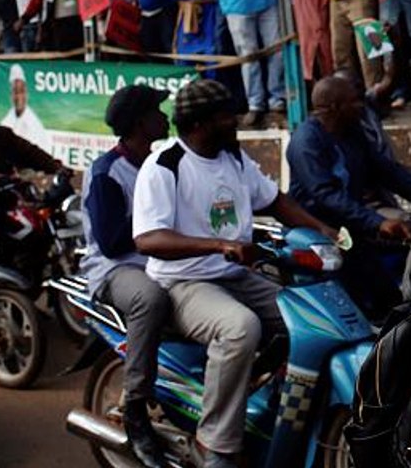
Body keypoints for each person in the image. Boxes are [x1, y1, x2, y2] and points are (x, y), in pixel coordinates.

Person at [132, 79, 334, 468]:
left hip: (237, 275)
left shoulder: (234, 159)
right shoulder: (164, 165)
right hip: (183, 281)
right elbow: (148, 238)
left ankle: (272, 405)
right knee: (240, 327)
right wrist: (218, 245)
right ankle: (217, 445)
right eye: (226, 115)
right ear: (199, 123)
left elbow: (275, 201)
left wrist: (322, 231)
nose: (235, 120)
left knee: (313, 317)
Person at [286, 75, 411, 315]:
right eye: (355, 101)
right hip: (321, 233)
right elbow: (326, 195)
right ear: (335, 107)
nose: (361, 106)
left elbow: (388, 172)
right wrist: (378, 222)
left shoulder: (352, 133)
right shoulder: (306, 141)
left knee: (388, 299)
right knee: (358, 303)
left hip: (352, 227)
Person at [80, 85, 173, 468]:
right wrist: (157, 217)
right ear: (140, 124)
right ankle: (135, 407)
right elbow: (113, 242)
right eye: (157, 111)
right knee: (150, 299)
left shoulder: (163, 163)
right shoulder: (107, 172)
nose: (164, 117)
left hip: (161, 260)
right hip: (116, 269)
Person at [0, 63, 52, 156]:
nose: (19, 97)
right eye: (15, 92)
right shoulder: (6, 122)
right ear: (11, 95)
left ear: (27, 94)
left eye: (21, 91)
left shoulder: (34, 124)